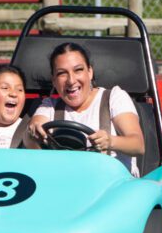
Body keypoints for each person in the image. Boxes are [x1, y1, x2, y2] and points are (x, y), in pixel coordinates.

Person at [26, 42, 145, 176]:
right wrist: (34, 130)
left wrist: (110, 141)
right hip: (67, 182)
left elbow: (138, 145)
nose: (71, 81)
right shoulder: (50, 106)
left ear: (90, 72)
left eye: (78, 70)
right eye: (62, 73)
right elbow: (35, 127)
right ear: (54, 80)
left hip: (114, 183)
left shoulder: (114, 97)